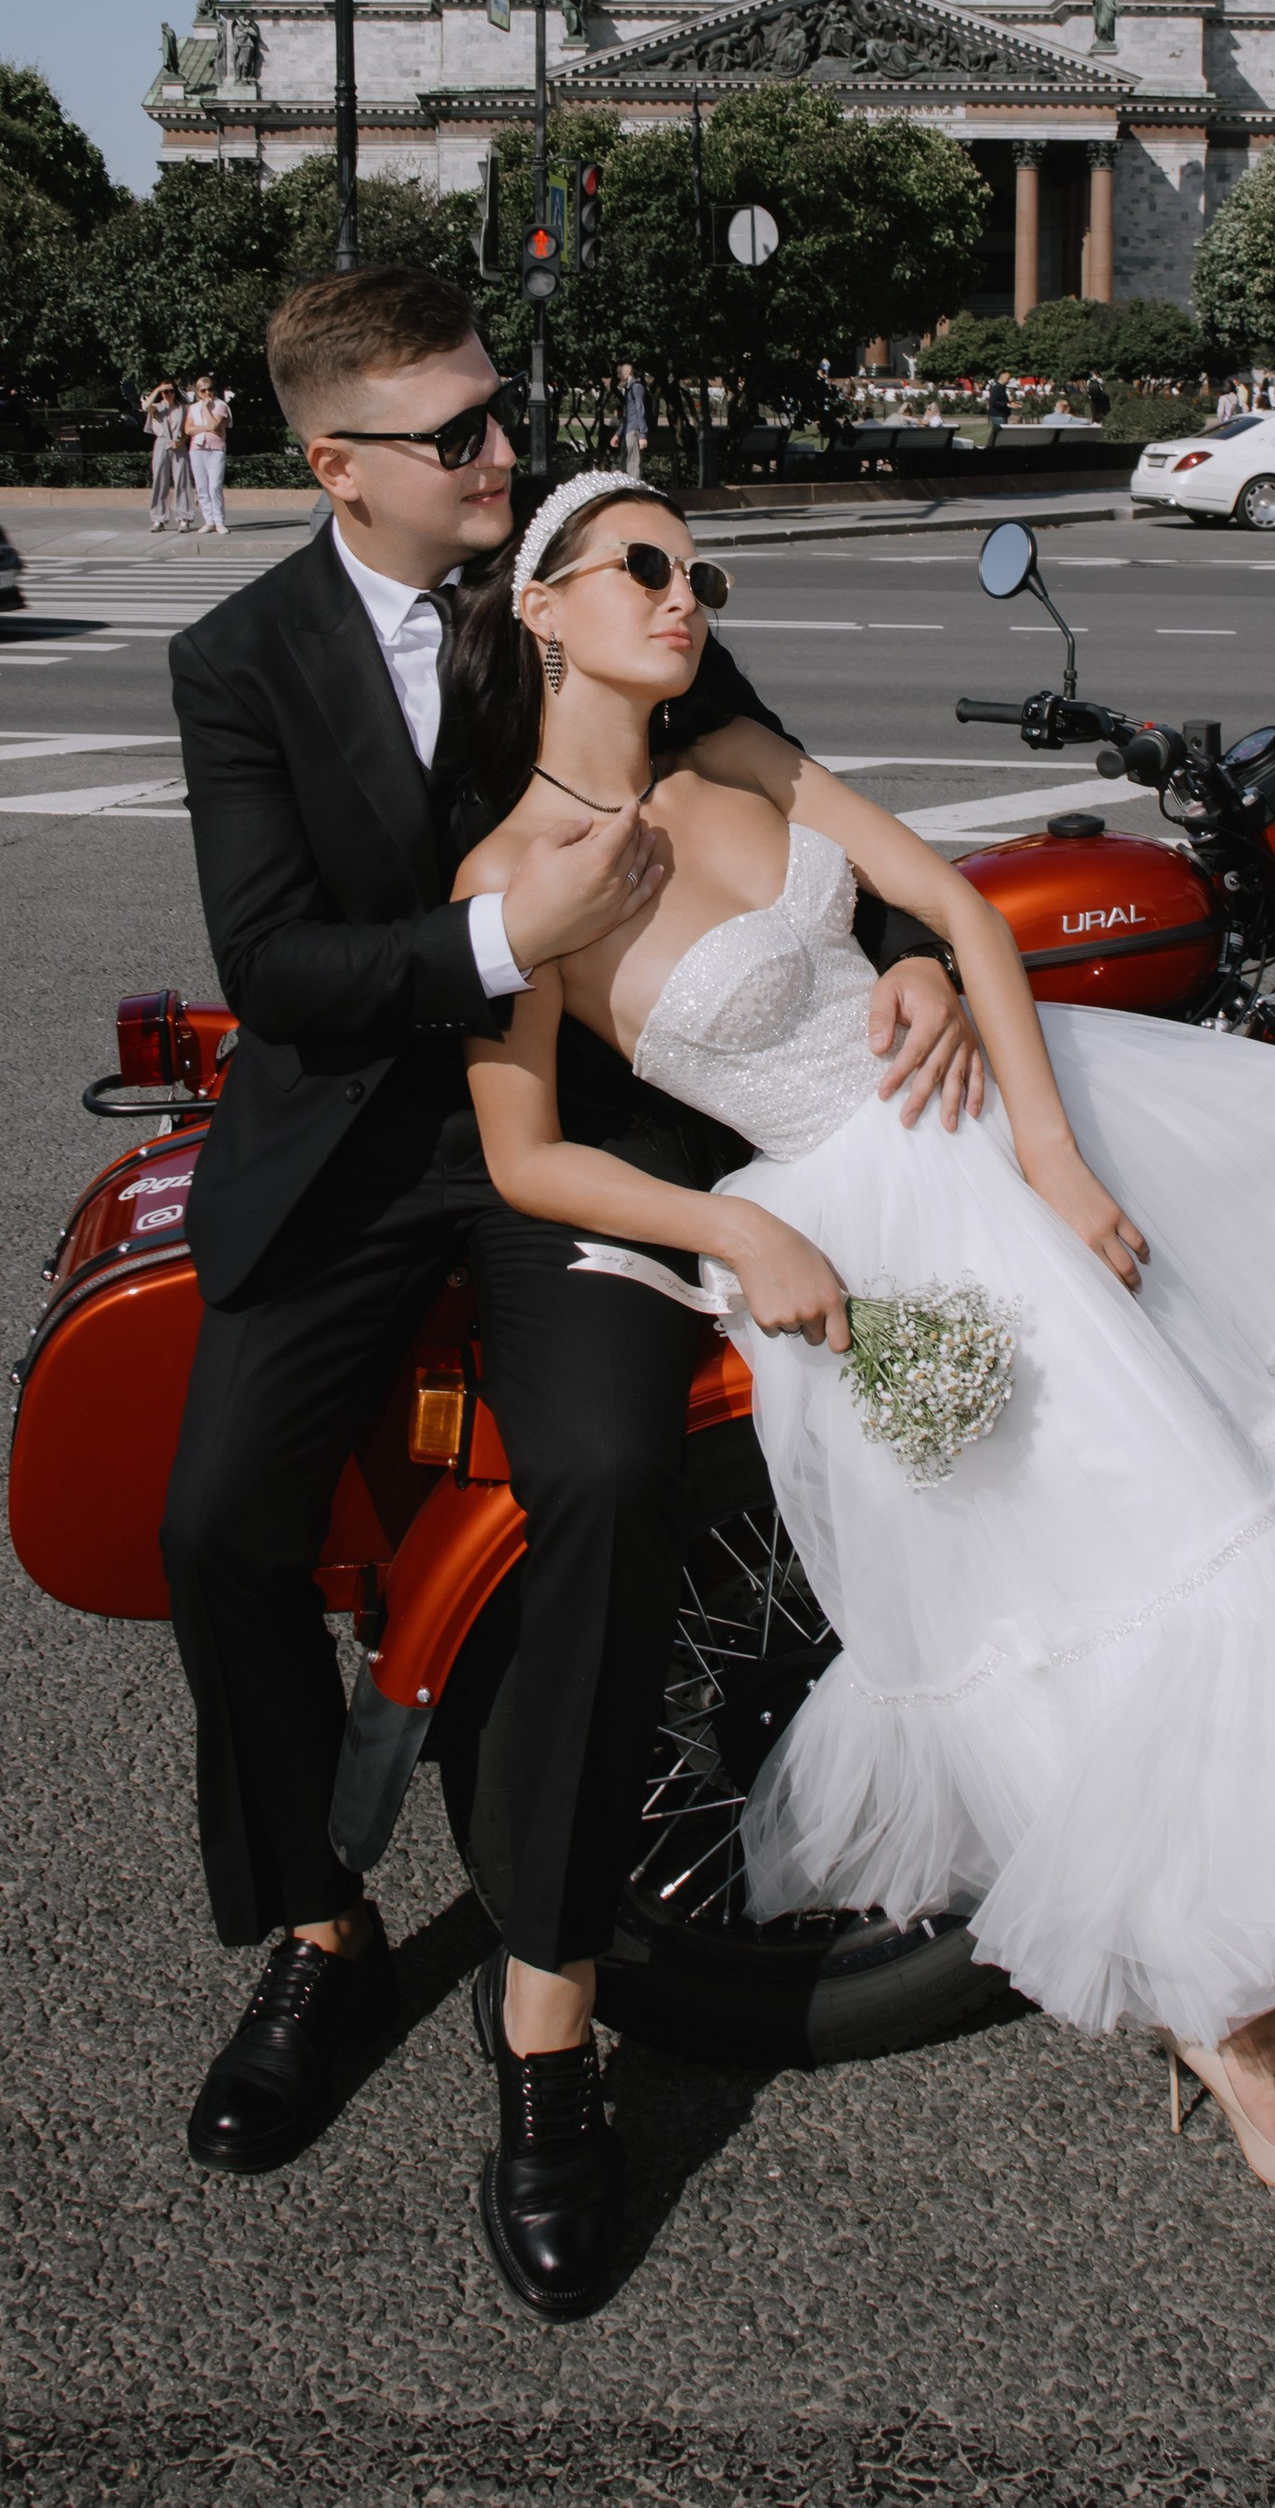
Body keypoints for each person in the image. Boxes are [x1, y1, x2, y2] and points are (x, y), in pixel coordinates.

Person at [451, 477, 1275, 2204]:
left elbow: (965, 913)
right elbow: (526, 1152)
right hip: (868, 1234)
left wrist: (1048, 1147)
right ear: (541, 609)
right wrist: (735, 1227)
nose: (683, 595)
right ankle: (1243, 2036)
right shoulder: (510, 872)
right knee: (1122, 1582)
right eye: (641, 567)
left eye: (699, 569)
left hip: (1005, 1121)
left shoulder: (739, 756)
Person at [159, 272, 981, 2314]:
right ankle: (324, 1927)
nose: (498, 454)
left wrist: (904, 944)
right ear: (333, 463)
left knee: (608, 1479)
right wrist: (495, 934)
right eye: (453, 436)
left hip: (594, 1145)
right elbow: (269, 965)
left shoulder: (603, 572)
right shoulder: (237, 656)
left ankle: (545, 2014)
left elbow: (783, 795)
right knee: (216, 1528)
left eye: (496, 414)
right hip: (365, 1147)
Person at [145, 379, 194, 532]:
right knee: (160, 480)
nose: (168, 394)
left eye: (171, 390)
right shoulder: (157, 408)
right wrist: (158, 388)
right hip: (162, 442)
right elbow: (146, 406)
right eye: (165, 391)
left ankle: (184, 518)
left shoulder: (182, 408)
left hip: (178, 444)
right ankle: (158, 518)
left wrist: (181, 442)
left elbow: (188, 429)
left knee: (182, 481)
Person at [186, 374, 232, 532]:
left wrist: (206, 408)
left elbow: (214, 424)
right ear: (198, 392)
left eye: (210, 389)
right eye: (203, 390)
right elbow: (188, 429)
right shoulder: (192, 408)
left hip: (216, 449)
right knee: (202, 487)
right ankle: (209, 520)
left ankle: (219, 521)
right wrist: (206, 428)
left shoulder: (221, 406)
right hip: (197, 449)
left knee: (215, 486)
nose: (207, 393)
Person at [616, 359, 649, 482]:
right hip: (628, 430)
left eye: (620, 373)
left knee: (633, 465)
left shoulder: (636, 387)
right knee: (625, 465)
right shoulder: (629, 389)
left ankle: (633, 494)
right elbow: (628, 414)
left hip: (634, 430)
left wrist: (643, 434)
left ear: (628, 372)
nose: (618, 375)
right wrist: (618, 434)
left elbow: (640, 409)